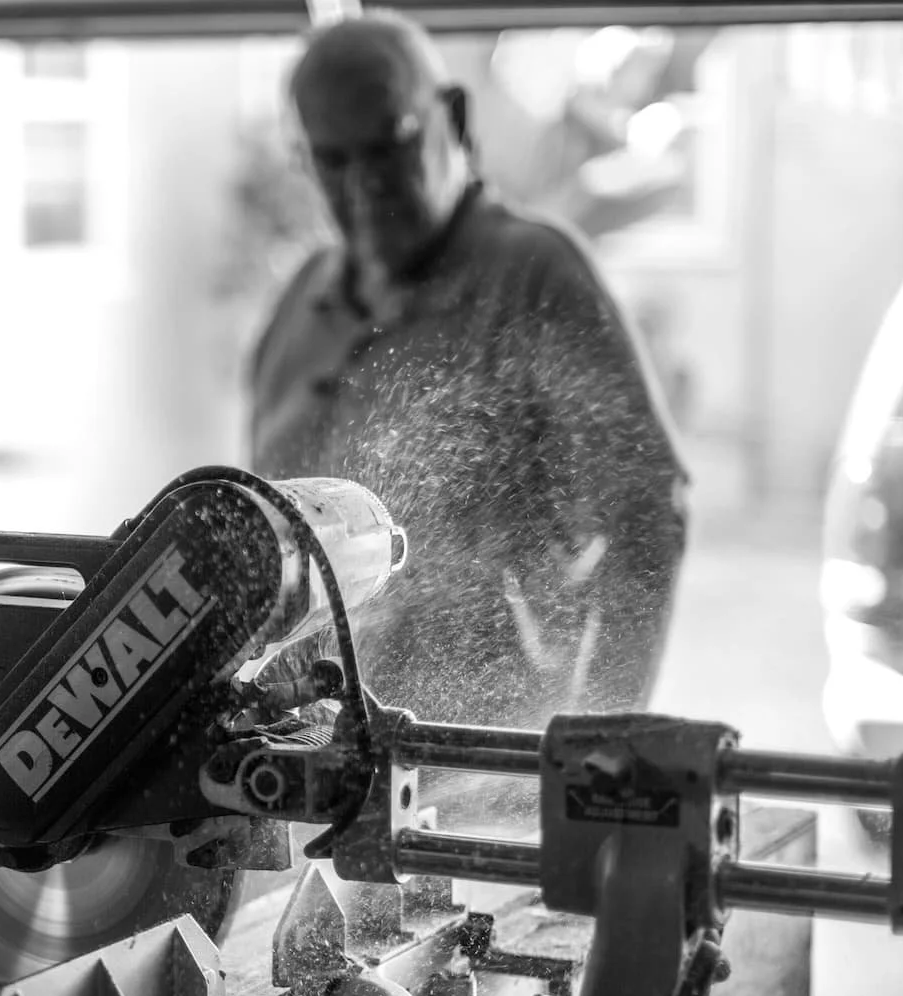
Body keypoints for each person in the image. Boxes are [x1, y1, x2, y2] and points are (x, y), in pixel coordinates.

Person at [249, 9, 689, 737]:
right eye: (334, 160)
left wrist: (601, 749)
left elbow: (645, 515)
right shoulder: (299, 309)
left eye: (389, 146)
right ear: (304, 160)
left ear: (452, 118)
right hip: (306, 778)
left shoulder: (534, 280)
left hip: (481, 782)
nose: (363, 187)